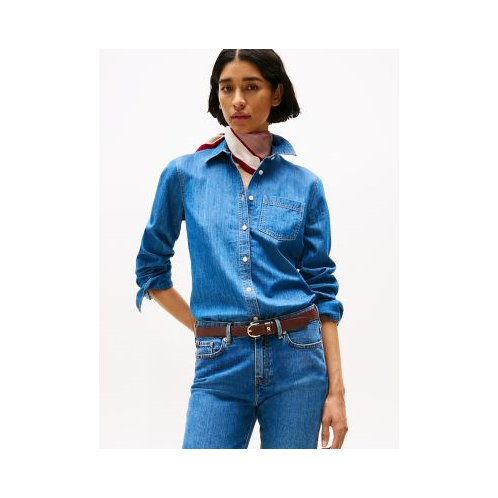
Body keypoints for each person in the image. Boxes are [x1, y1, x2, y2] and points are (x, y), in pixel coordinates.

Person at [135, 49, 348, 449]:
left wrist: (337, 391)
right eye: (226, 88)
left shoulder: (305, 185)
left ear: (276, 93)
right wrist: (205, 331)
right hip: (219, 364)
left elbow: (323, 290)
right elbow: (151, 270)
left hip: (298, 359)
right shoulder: (184, 174)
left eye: (251, 87)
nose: (237, 100)